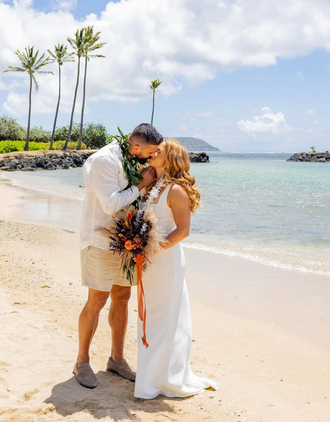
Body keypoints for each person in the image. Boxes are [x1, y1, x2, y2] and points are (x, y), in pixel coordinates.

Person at [74, 123, 164, 389]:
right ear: (135, 147)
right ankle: (81, 362)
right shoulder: (104, 160)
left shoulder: (130, 159)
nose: (149, 158)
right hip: (100, 242)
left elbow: (133, 200)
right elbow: (111, 203)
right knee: (97, 300)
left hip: (125, 240)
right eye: (148, 153)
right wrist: (143, 183)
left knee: (122, 298)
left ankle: (116, 359)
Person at [134, 139, 220, 399]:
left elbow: (183, 230)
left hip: (166, 259)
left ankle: (162, 379)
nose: (152, 153)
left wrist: (152, 249)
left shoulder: (176, 190)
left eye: (158, 151)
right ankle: (150, 375)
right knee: (148, 315)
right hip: (147, 259)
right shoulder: (149, 185)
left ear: (170, 159)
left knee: (166, 317)